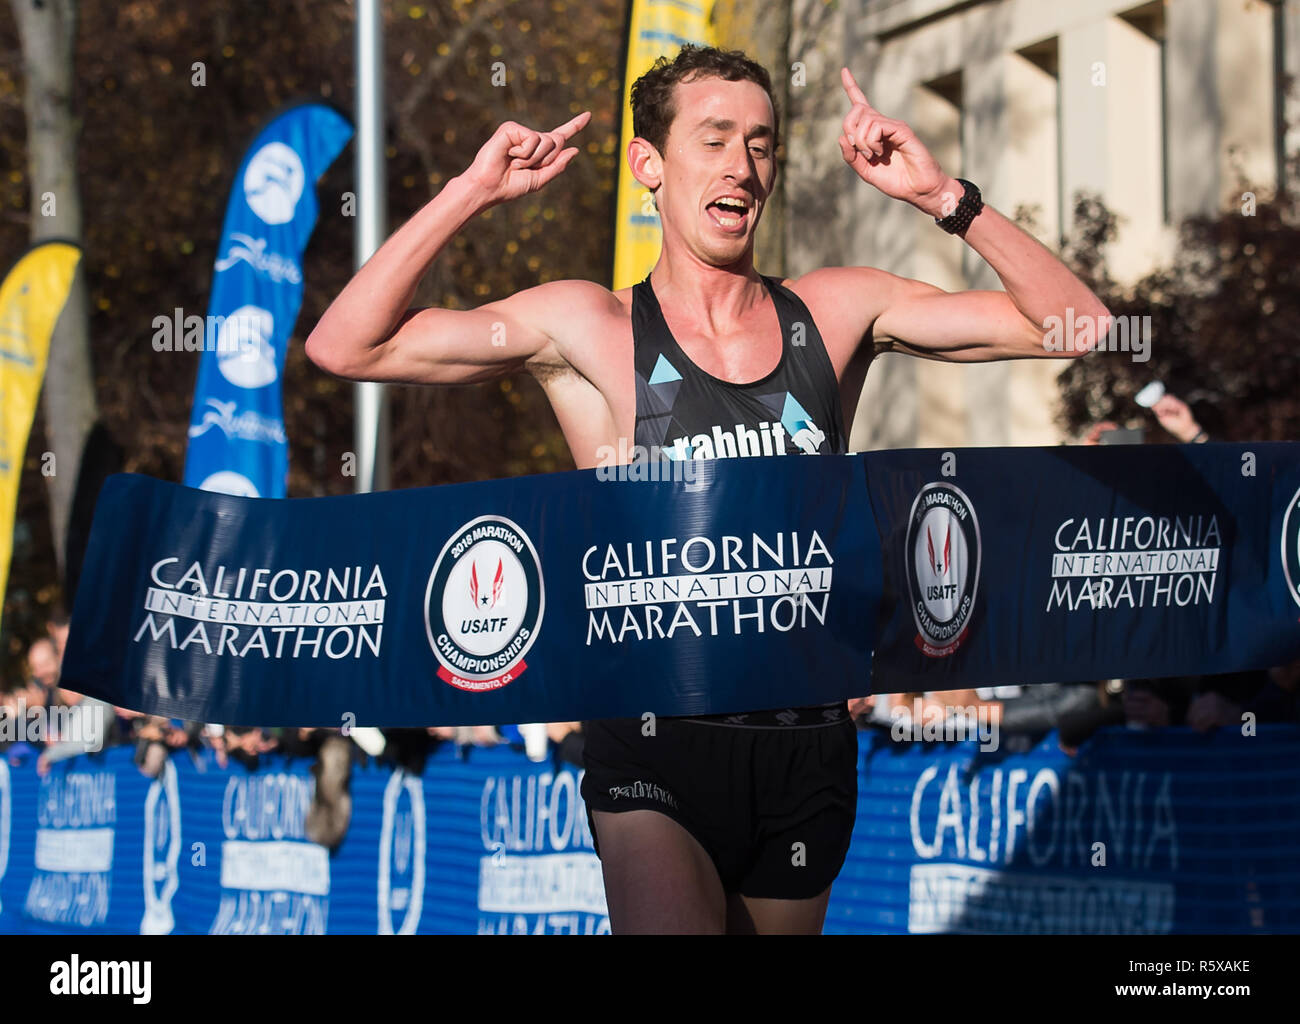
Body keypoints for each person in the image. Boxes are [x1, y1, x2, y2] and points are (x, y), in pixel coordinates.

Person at [306, 45, 1107, 933]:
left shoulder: (835, 312)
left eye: (760, 144)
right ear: (650, 165)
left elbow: (1079, 328)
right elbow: (347, 346)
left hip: (803, 741)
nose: (741, 165)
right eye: (715, 138)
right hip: (655, 739)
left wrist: (942, 198)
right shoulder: (590, 325)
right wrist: (470, 193)